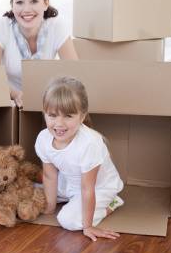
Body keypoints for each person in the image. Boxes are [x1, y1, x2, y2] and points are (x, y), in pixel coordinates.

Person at [35, 76, 124, 242]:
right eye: (52, 115)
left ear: (82, 116)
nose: (59, 124)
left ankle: (112, 202)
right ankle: (67, 201)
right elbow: (50, 176)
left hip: (98, 187)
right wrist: (49, 207)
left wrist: (88, 226)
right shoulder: (43, 139)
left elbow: (87, 188)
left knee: (67, 220)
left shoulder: (89, 144)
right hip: (69, 181)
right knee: (34, 194)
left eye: (68, 116)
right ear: (44, 113)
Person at [0, 0, 78, 108]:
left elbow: (74, 75)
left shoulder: (56, 26)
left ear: (45, 3)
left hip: (47, 101)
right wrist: (15, 94)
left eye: (34, 1)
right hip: (9, 101)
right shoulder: (2, 26)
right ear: (12, 5)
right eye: (19, 2)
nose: (26, 9)